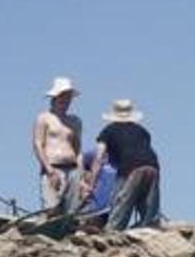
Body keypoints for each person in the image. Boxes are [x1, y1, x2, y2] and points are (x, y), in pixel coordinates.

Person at [84, 99, 161, 231]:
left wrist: (91, 185)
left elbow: (99, 157)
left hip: (130, 167)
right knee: (148, 209)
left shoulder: (108, 130)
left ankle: (111, 233)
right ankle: (150, 228)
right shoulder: (142, 131)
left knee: (120, 205)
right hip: (152, 165)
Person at [33, 76, 83, 214]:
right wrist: (48, 169)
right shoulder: (44, 118)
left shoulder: (75, 121)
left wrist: (81, 173)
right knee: (51, 207)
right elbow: (38, 144)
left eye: (68, 97)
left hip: (72, 169)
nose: (66, 100)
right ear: (55, 97)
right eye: (63, 96)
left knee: (72, 210)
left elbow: (78, 148)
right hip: (53, 167)